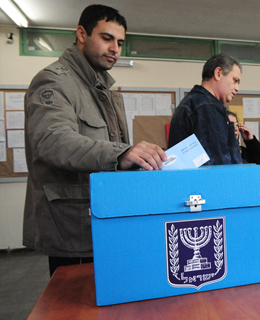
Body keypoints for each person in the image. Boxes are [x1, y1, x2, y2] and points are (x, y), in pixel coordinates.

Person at [23, 4, 167, 276]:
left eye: (120, 42)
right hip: (73, 227)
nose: (115, 48)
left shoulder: (101, 88)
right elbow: (53, 141)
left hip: (104, 218)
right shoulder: (53, 81)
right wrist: (122, 154)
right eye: (106, 38)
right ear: (81, 34)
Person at [167, 54, 242, 165]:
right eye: (235, 80)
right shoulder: (207, 107)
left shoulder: (192, 102)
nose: (237, 88)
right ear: (218, 73)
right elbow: (217, 162)